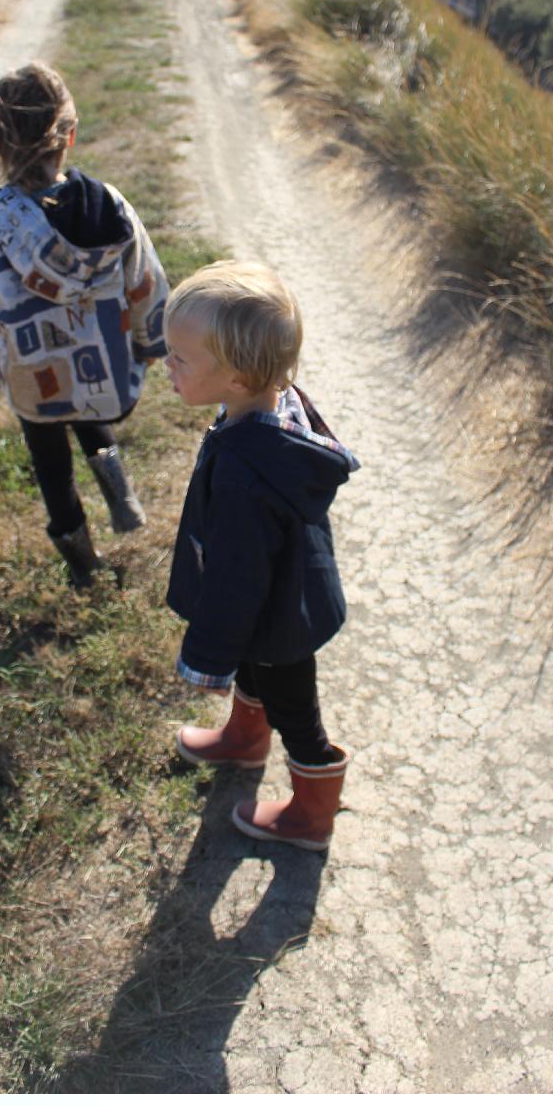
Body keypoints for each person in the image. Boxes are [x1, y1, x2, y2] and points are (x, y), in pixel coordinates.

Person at [0, 60, 168, 588]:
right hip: (105, 374)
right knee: (85, 390)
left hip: (30, 377)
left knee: (50, 462)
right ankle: (120, 494)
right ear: (71, 136)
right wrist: (152, 343)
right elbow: (145, 280)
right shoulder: (109, 206)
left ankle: (83, 562)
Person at [163, 259, 359, 851]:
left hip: (279, 615)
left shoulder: (249, 474)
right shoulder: (265, 408)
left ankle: (311, 815)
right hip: (280, 598)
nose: (164, 364)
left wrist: (207, 655)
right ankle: (246, 741)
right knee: (259, 672)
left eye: (179, 357)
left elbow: (236, 580)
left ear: (240, 379)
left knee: (294, 707)